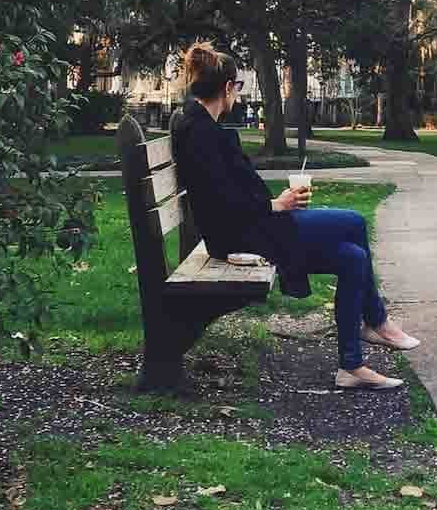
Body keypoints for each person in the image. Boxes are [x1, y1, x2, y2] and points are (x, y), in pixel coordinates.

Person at [172, 41, 419, 390]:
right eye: (237, 88)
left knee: (353, 258)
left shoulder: (202, 127)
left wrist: (274, 204)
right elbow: (222, 203)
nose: (237, 96)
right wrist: (276, 205)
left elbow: (229, 193)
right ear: (227, 88)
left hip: (251, 226)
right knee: (354, 222)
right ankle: (376, 321)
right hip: (243, 235)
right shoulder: (201, 133)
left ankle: (351, 367)